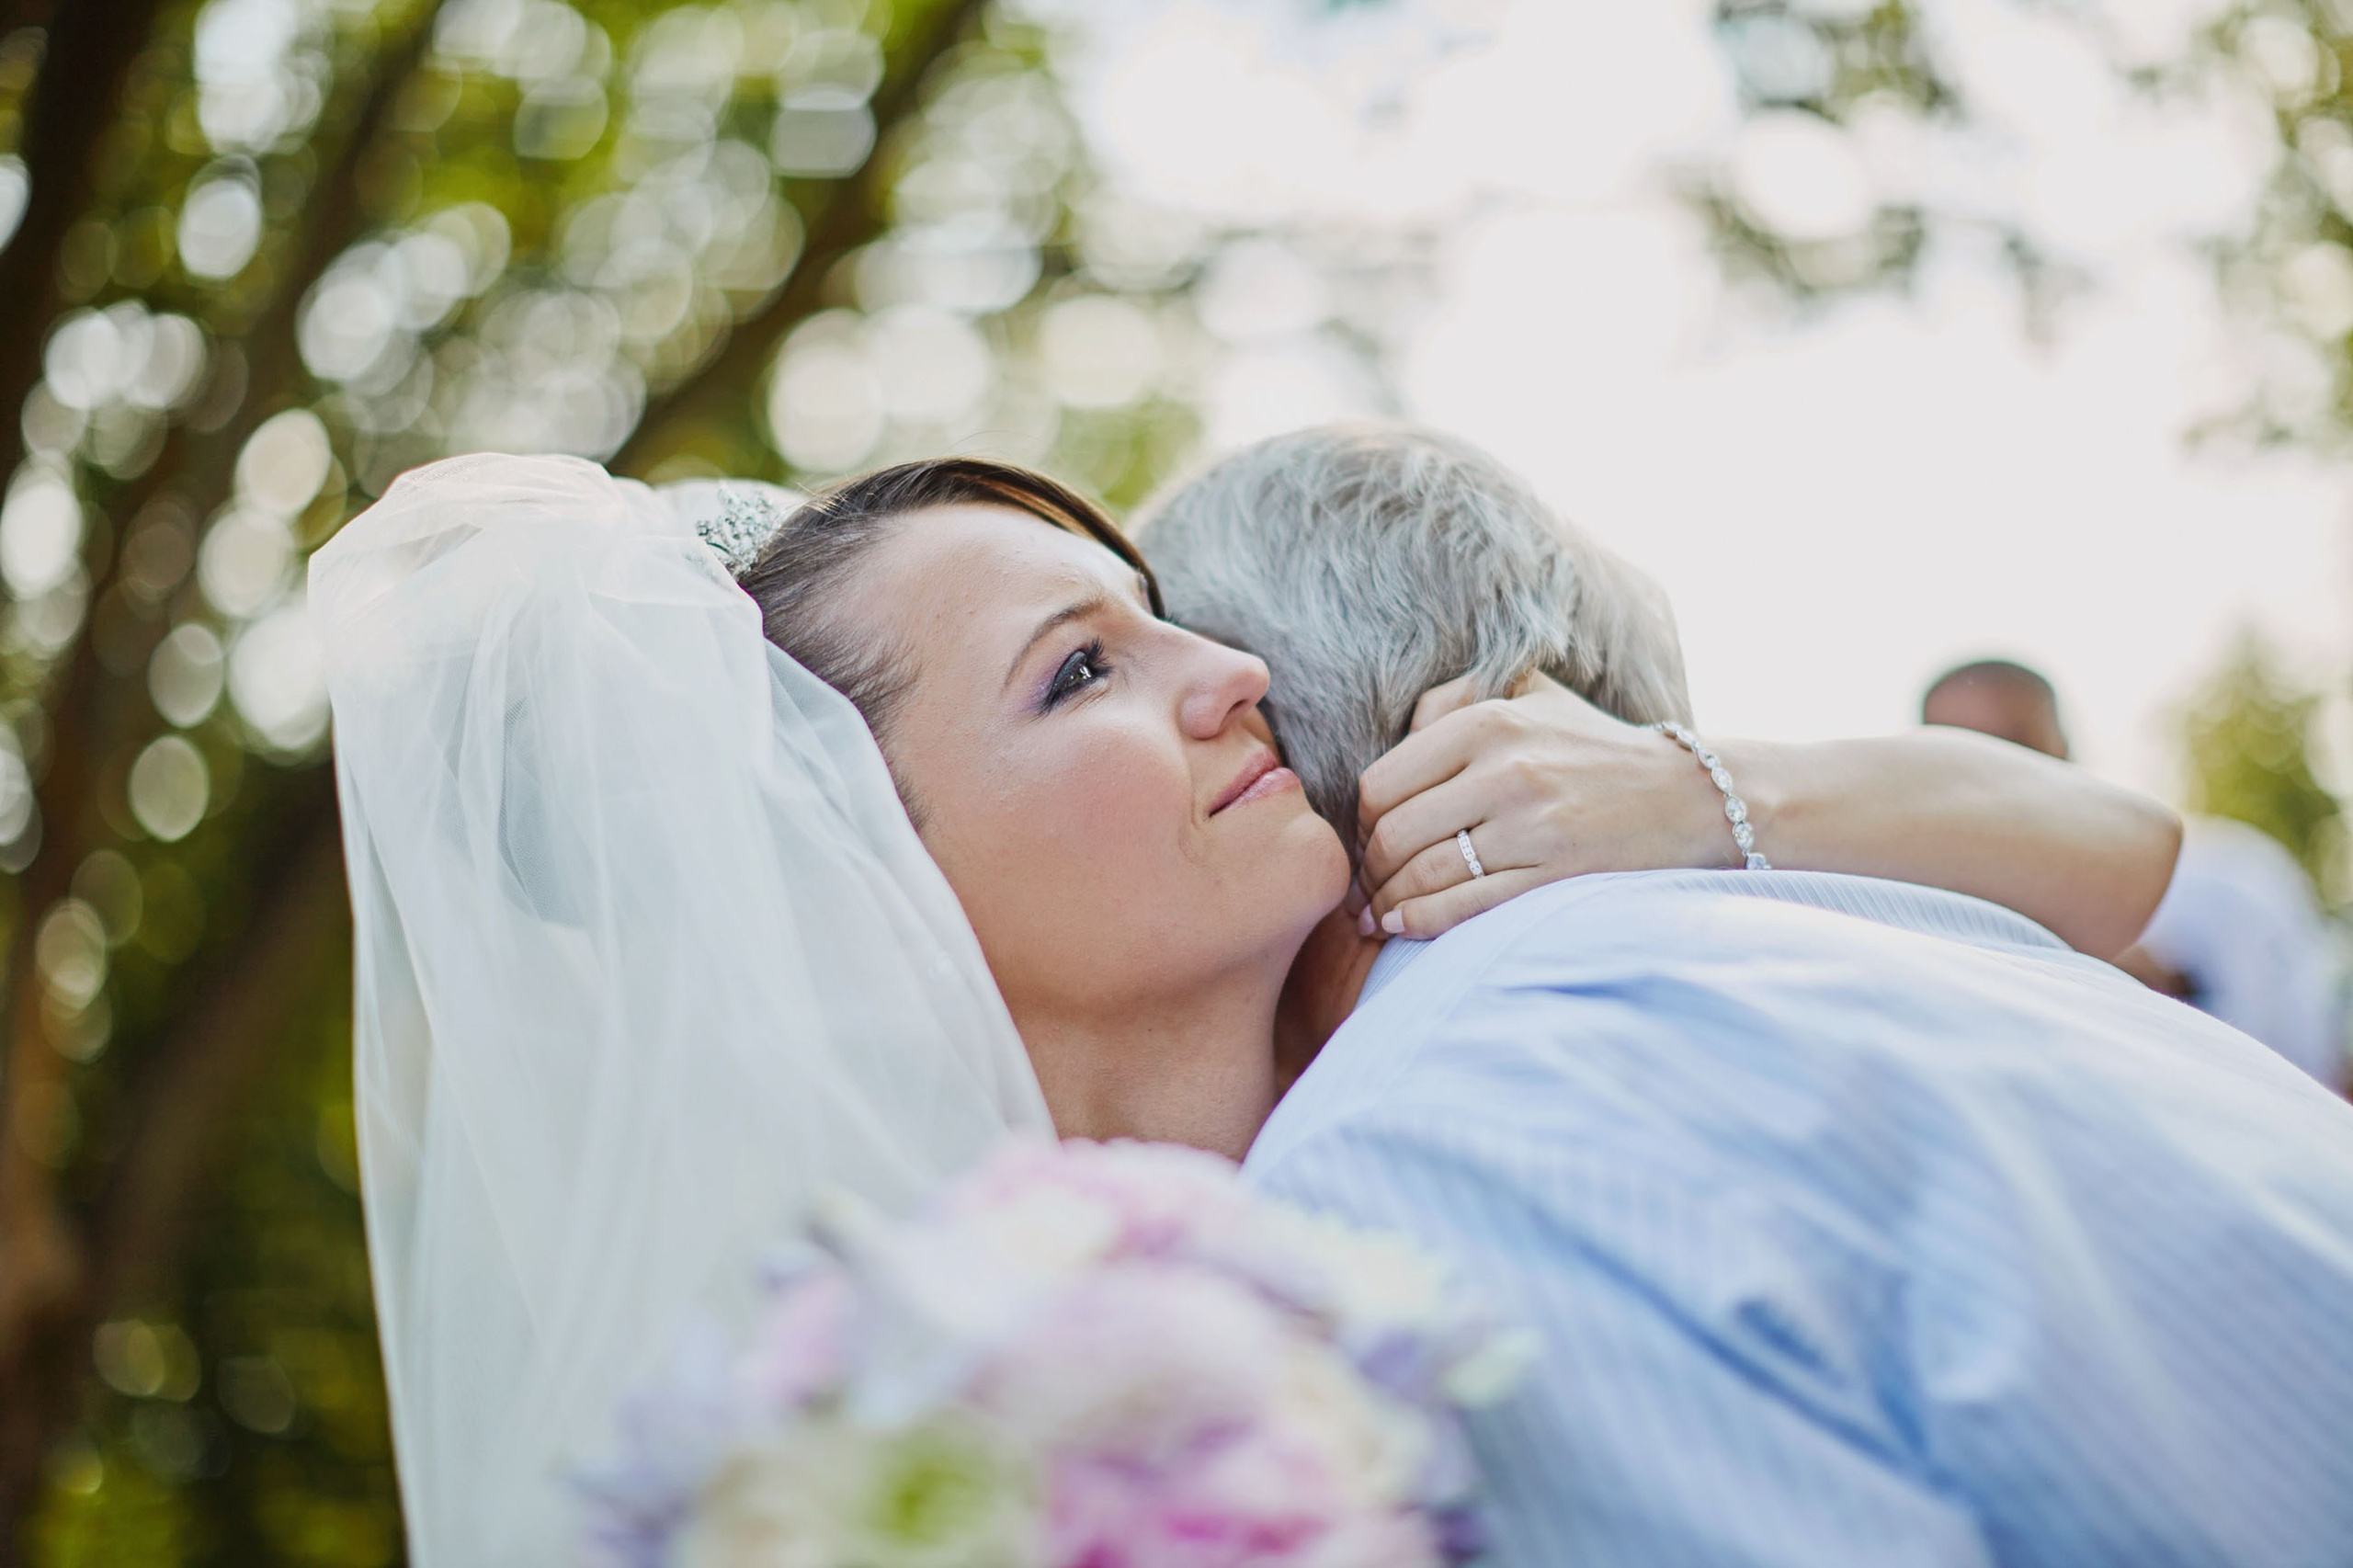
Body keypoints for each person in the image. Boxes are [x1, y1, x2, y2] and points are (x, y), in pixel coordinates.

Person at [313, 439, 2296, 1567]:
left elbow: (2127, 851)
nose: (1230, 675)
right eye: (1077, 671)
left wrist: (1702, 785)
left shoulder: (1428, 1140)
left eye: (1177, 621)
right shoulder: (1304, 1237)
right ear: (865, 872)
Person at [1924, 655, 2348, 1087]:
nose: (1984, 773)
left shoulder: (2232, 877)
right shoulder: (1907, 926)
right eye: (1952, 751)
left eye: (2011, 745)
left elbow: (2306, 1060)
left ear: (2064, 751)